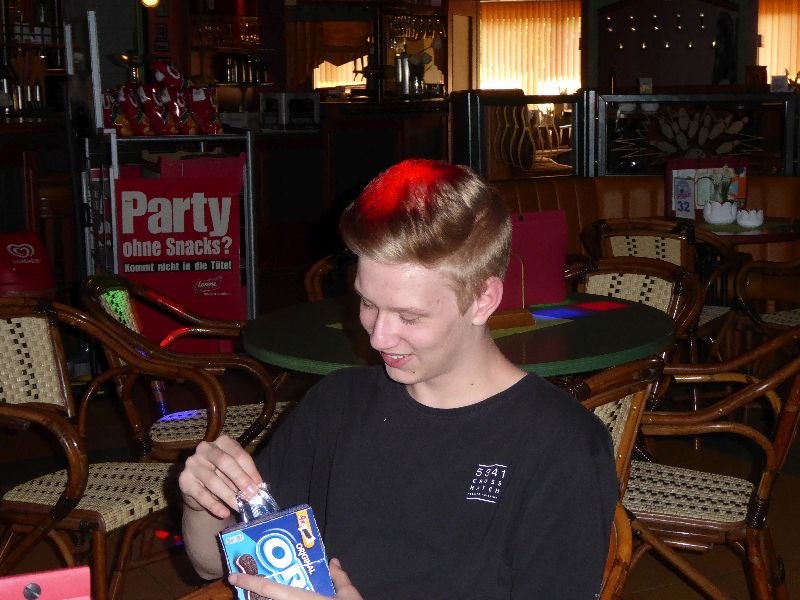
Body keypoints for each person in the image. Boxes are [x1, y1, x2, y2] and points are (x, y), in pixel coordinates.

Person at [179, 158, 618, 599]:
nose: (378, 337)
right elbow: (211, 564)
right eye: (368, 303)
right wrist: (204, 505)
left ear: (484, 299)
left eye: (409, 316)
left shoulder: (561, 446)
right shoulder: (336, 404)